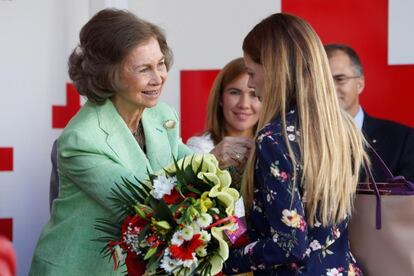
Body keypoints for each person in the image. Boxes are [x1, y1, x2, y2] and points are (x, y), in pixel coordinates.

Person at [30, 9, 248, 275]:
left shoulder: (162, 115)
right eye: (144, 69)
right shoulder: (81, 139)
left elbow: (185, 165)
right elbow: (147, 204)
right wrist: (213, 160)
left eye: (160, 64)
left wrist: (225, 162)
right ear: (108, 74)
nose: (158, 78)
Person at [223, 13, 368, 275]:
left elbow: (289, 244)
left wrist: (225, 258)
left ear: (273, 68)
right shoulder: (342, 128)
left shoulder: (274, 138)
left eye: (251, 72)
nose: (251, 83)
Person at [325, 44, 414, 182]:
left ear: (360, 84)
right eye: (322, 81)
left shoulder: (403, 140)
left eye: (340, 79)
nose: (330, 88)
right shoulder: (299, 138)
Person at [187, 57, 260, 188]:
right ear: (220, 98)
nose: (244, 104)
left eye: (253, 94)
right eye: (235, 93)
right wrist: (211, 162)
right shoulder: (199, 148)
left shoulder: (273, 147)